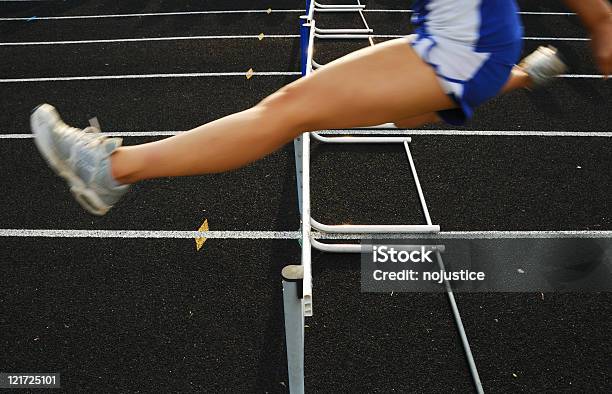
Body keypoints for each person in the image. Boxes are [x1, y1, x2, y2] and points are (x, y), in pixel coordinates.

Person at [31, 0, 612, 216]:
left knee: (287, 108)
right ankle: (523, 77)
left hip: (465, 47)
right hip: (456, 41)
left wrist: (601, 22)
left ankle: (111, 171)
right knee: (404, 113)